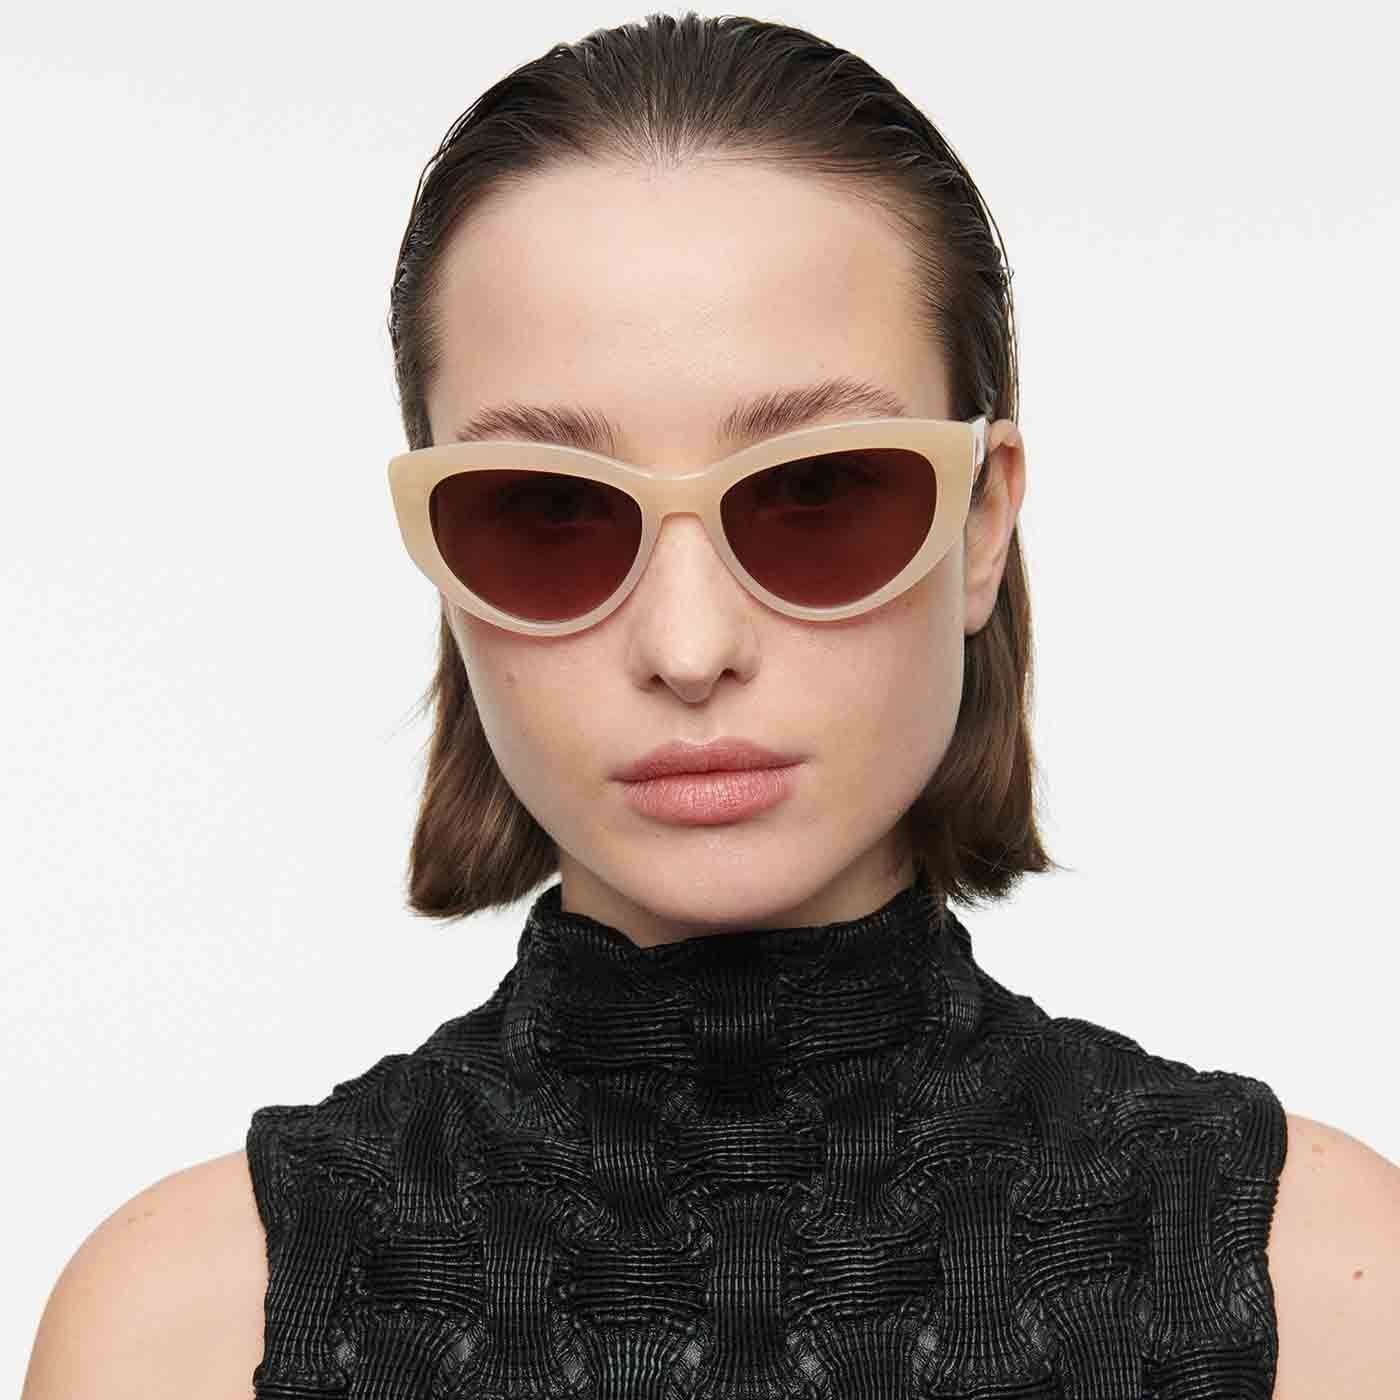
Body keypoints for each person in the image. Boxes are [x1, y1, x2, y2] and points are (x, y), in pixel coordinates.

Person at [21, 11, 1399, 1399]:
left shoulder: (1332, 1290)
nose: (689, 648)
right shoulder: (176, 1332)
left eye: (819, 490)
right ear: (437, 550)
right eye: (547, 509)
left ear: (981, 522)